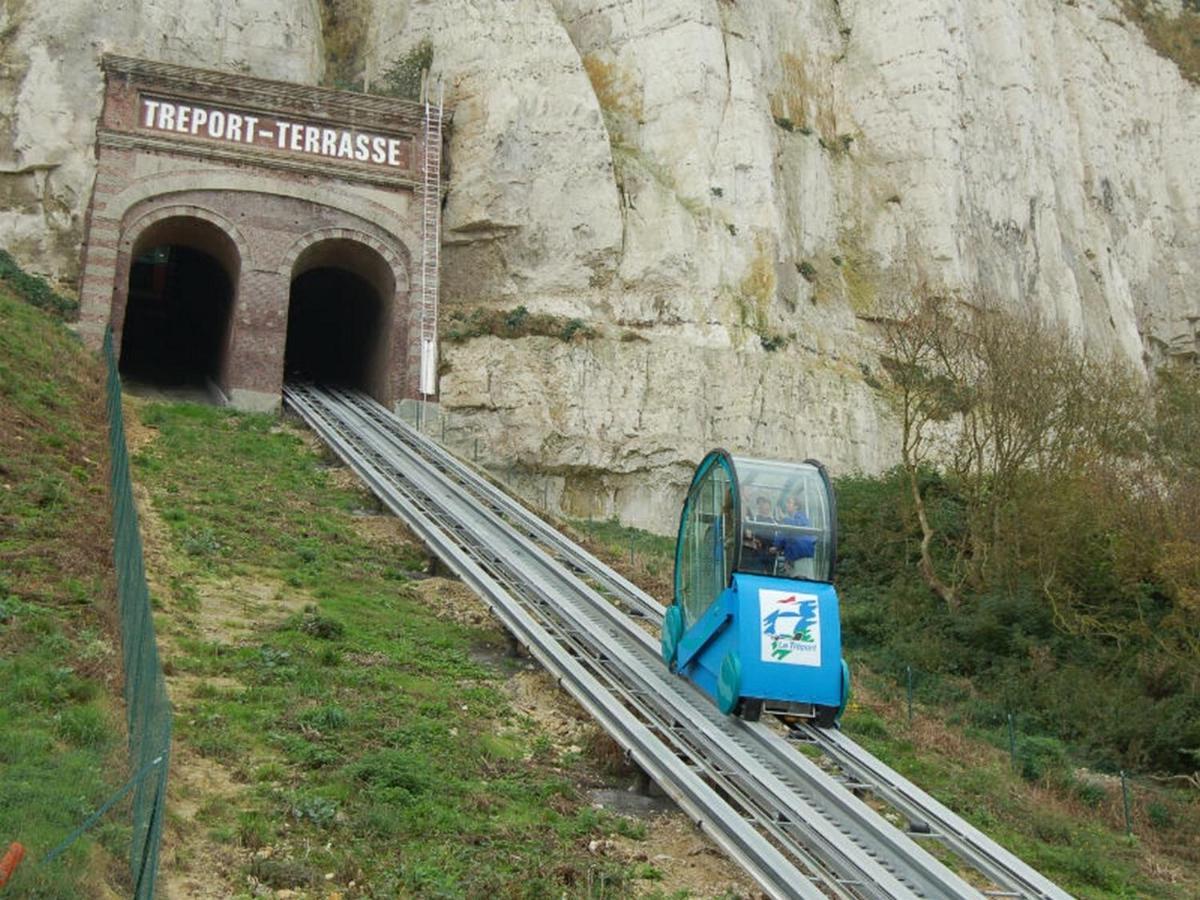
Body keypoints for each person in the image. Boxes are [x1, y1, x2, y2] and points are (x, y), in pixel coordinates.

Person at [773, 493, 815, 576]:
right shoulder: (790, 519)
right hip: (792, 557)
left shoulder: (801, 517)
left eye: (789, 503)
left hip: (802, 556)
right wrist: (776, 546)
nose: (787, 505)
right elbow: (784, 534)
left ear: (796, 506)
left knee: (803, 579)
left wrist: (784, 518)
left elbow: (797, 526)